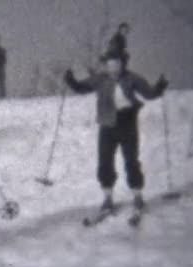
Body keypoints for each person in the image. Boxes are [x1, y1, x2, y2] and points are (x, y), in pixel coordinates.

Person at [64, 51, 168, 215]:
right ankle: (107, 197)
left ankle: (137, 195)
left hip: (127, 124)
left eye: (117, 64)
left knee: (131, 161)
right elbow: (82, 88)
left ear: (123, 64)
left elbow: (149, 93)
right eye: (110, 65)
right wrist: (72, 81)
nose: (113, 68)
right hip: (107, 125)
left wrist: (159, 87)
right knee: (105, 162)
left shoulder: (132, 78)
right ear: (106, 66)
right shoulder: (100, 79)